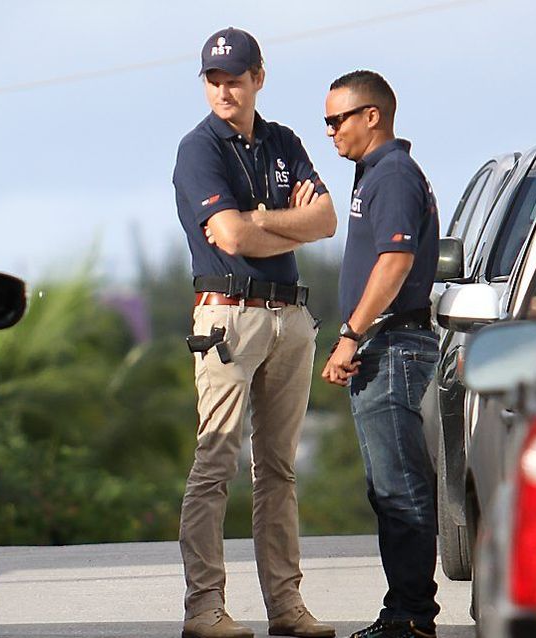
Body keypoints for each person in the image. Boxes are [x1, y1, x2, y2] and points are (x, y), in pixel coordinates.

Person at [172, 26, 337, 638]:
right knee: (216, 462)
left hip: (290, 316)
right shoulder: (199, 148)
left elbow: (326, 221)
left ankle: (285, 606)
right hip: (227, 315)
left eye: (234, 79)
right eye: (213, 80)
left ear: (258, 78)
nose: (223, 91)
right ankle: (204, 609)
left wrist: (264, 219)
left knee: (279, 469)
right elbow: (232, 238)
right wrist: (277, 222)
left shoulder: (283, 140)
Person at [320, 70, 440, 638]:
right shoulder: (376, 174)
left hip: (392, 346)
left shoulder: (391, 174)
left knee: (400, 488)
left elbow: (395, 262)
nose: (330, 131)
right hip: (385, 345)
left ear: (373, 116)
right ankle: (404, 610)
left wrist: (350, 334)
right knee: (387, 487)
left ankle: (412, 616)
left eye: (337, 119)